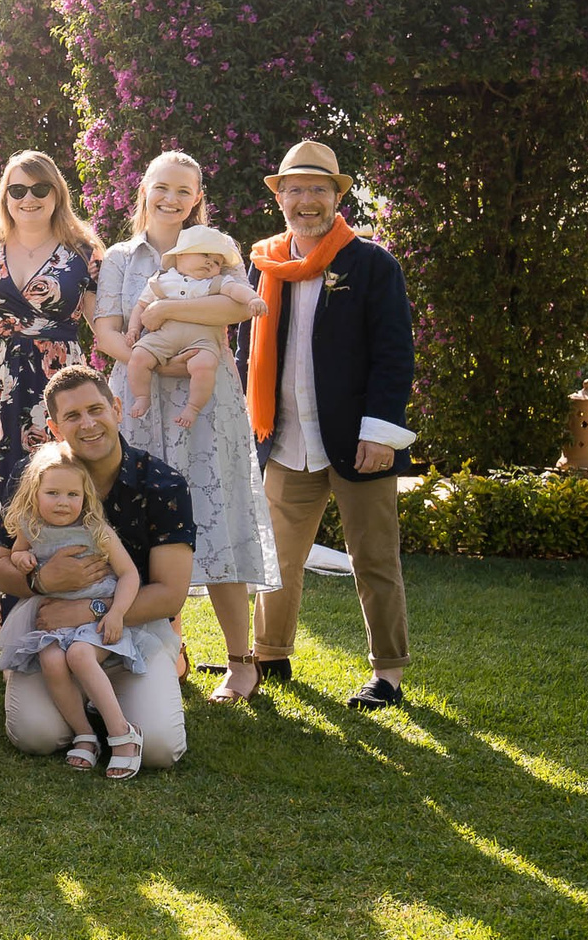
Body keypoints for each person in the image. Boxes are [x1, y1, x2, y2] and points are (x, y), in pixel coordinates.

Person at [92, 150, 280, 703]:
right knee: (138, 521)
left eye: (183, 191)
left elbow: (236, 310)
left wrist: (163, 316)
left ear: (197, 197)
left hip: (207, 404)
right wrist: (151, 359)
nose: (171, 199)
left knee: (217, 516)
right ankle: (161, 650)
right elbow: (106, 330)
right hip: (139, 398)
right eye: (162, 188)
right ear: (144, 190)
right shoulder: (121, 258)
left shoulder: (218, 247)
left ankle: (241, 662)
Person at [248, 139, 419, 710]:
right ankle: (270, 655)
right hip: (286, 440)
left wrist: (379, 432)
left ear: (337, 196)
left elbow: (394, 357)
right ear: (280, 198)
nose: (307, 200)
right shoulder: (264, 266)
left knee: (374, 560)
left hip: (358, 440)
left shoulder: (372, 264)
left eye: (318, 188)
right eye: (295, 188)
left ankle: (388, 673)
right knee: (277, 559)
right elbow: (247, 352)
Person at [0, 366, 195, 768]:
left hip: (131, 628)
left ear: (116, 408)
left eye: (95, 409)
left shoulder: (162, 484)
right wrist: (39, 579)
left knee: (159, 749)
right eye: (72, 416)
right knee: (36, 736)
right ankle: (84, 717)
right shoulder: (37, 476)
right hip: (50, 630)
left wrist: (91, 610)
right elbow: (0, 567)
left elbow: (170, 595)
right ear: (54, 427)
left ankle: (124, 695)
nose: (87, 424)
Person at [0, 149, 101, 642]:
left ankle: (46, 614)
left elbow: (104, 324)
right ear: (5, 196)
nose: (29, 199)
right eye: (17, 190)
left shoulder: (83, 252)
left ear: (57, 193)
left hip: (53, 384)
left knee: (47, 482)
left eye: (40, 189)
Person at [0, 443, 147, 777]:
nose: (63, 502)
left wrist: (116, 613)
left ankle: (122, 732)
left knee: (79, 655)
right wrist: (22, 558)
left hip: (97, 618)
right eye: (53, 493)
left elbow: (129, 574)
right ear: (34, 494)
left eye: (72, 495)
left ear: (86, 497)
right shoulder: (31, 527)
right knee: (50, 659)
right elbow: (15, 554)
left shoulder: (97, 531)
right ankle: (85, 734)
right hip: (54, 618)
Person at [121, 228, 259, 431]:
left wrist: (253, 299)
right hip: (164, 336)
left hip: (202, 340)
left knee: (204, 365)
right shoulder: (162, 280)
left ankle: (193, 408)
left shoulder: (217, 282)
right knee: (139, 356)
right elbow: (141, 306)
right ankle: (142, 396)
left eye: (217, 262)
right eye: (205, 255)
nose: (210, 263)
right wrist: (134, 328)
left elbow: (237, 290)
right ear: (180, 255)